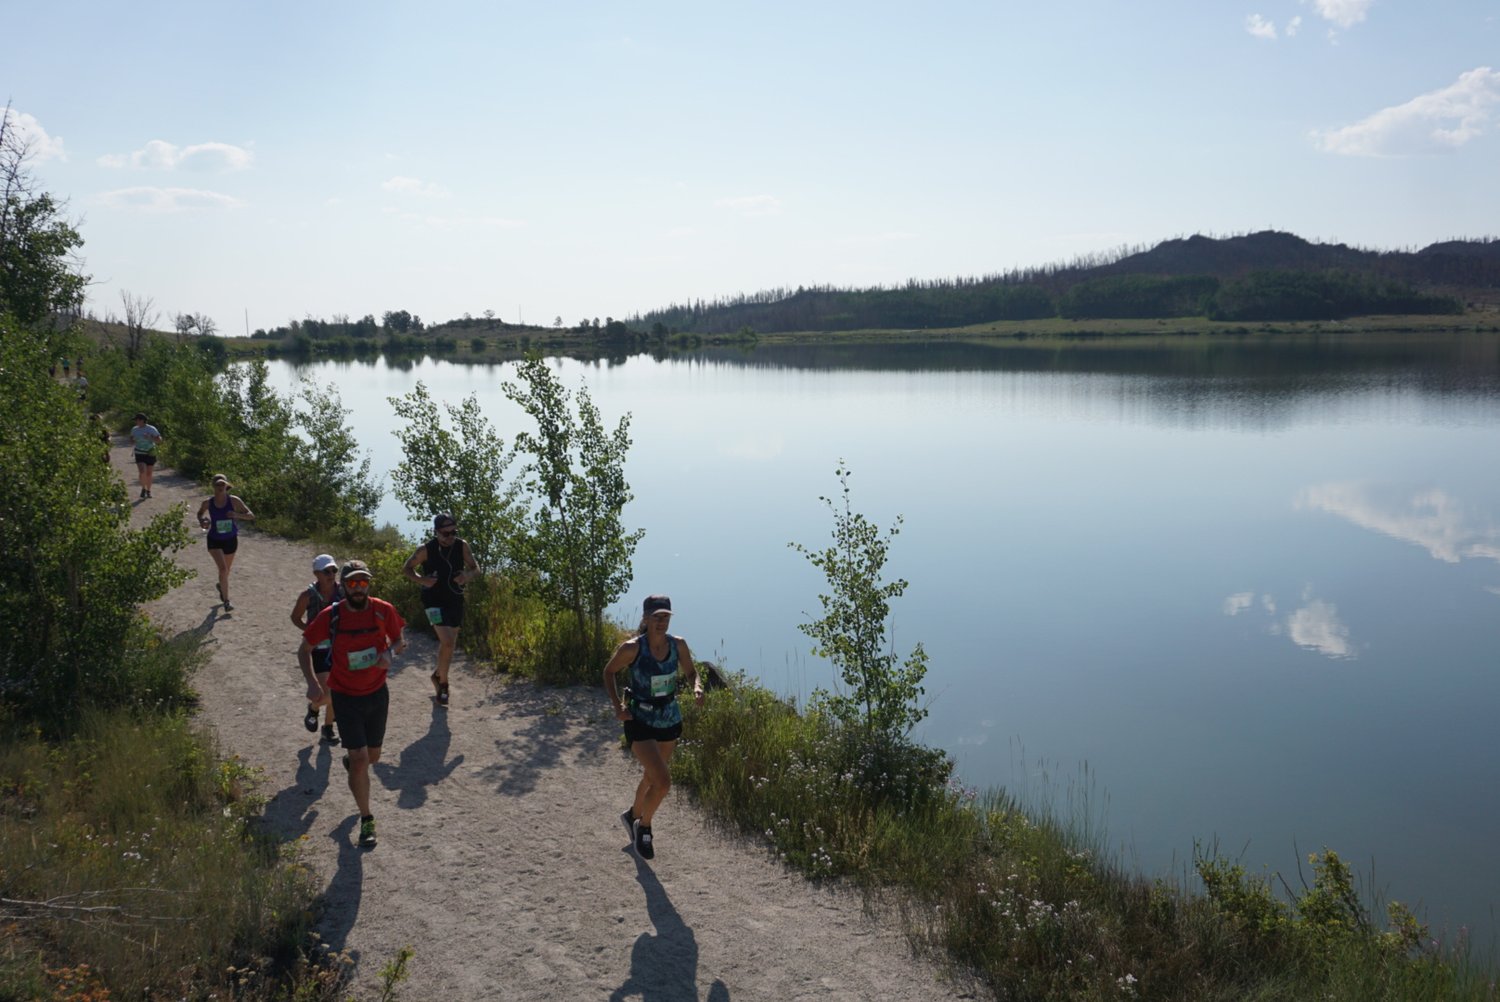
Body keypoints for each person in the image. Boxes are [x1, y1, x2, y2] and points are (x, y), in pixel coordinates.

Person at [298, 559, 407, 849]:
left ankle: (352, 762)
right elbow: (304, 649)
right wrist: (312, 682)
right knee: (360, 762)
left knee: (372, 757)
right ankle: (367, 818)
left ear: (368, 584)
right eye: (352, 583)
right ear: (343, 586)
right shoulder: (330, 616)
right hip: (345, 697)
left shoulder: (383, 610)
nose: (358, 588)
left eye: (363, 582)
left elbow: (399, 639)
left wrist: (390, 653)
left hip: (376, 695)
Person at [602, 595, 705, 861]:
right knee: (663, 781)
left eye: (666, 617)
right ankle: (644, 827)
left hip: (669, 718)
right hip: (639, 720)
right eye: (656, 617)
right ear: (645, 618)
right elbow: (609, 672)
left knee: (652, 777)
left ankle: (632, 815)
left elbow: (692, 673)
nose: (662, 622)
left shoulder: (678, 645)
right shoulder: (632, 648)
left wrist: (697, 686)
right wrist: (617, 707)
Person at [401, 513, 478, 707]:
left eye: (453, 532)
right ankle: (444, 684)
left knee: (448, 645)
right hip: (432, 601)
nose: (450, 536)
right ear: (436, 532)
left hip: (455, 598)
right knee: (448, 642)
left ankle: (437, 675)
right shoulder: (426, 550)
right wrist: (422, 580)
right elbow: (407, 568)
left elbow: (476, 569)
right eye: (446, 533)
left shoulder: (462, 546)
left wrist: (466, 577)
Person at [290, 553, 343, 745]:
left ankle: (327, 728)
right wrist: (312, 632)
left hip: (339, 646)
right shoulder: (308, 595)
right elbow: (295, 617)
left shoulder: (343, 592)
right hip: (318, 649)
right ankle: (314, 708)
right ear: (316, 573)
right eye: (326, 571)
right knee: (328, 693)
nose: (331, 574)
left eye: (334, 570)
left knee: (338, 690)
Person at [196, 474, 255, 611]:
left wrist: (237, 515)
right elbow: (199, 514)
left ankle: (221, 586)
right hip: (214, 540)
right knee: (223, 569)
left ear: (227, 486)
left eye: (223, 485)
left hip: (230, 539)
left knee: (225, 572)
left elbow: (251, 515)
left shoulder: (234, 501)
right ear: (213, 487)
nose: (220, 487)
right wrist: (203, 521)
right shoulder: (208, 503)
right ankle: (227, 601)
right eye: (218, 485)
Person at [129, 413, 162, 499]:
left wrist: (150, 438)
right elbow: (131, 439)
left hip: (150, 452)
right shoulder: (134, 429)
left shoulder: (151, 429)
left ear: (142, 420)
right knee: (142, 471)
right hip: (139, 452)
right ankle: (143, 488)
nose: (136, 422)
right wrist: (133, 441)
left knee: (149, 473)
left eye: (137, 420)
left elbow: (159, 440)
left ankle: (148, 491)